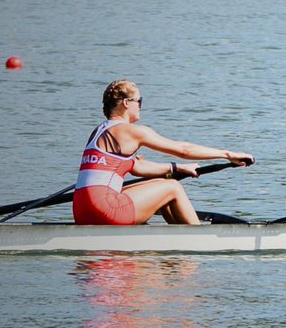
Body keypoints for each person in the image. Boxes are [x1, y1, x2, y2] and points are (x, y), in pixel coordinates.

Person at [73, 80, 254, 226]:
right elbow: (184, 150)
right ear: (126, 103)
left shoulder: (98, 132)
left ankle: (177, 237)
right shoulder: (131, 131)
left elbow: (138, 167)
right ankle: (200, 237)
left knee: (161, 184)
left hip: (81, 210)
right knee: (172, 187)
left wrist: (177, 168)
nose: (141, 106)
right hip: (104, 210)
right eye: (139, 101)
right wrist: (227, 154)